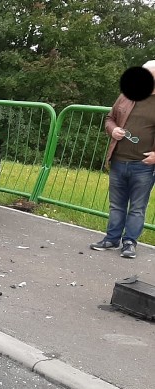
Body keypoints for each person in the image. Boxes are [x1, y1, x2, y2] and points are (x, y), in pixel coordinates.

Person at [89, 60, 155, 258]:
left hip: (144, 165)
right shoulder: (127, 95)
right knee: (116, 204)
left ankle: (129, 243)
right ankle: (111, 239)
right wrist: (113, 130)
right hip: (118, 160)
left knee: (137, 207)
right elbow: (109, 119)